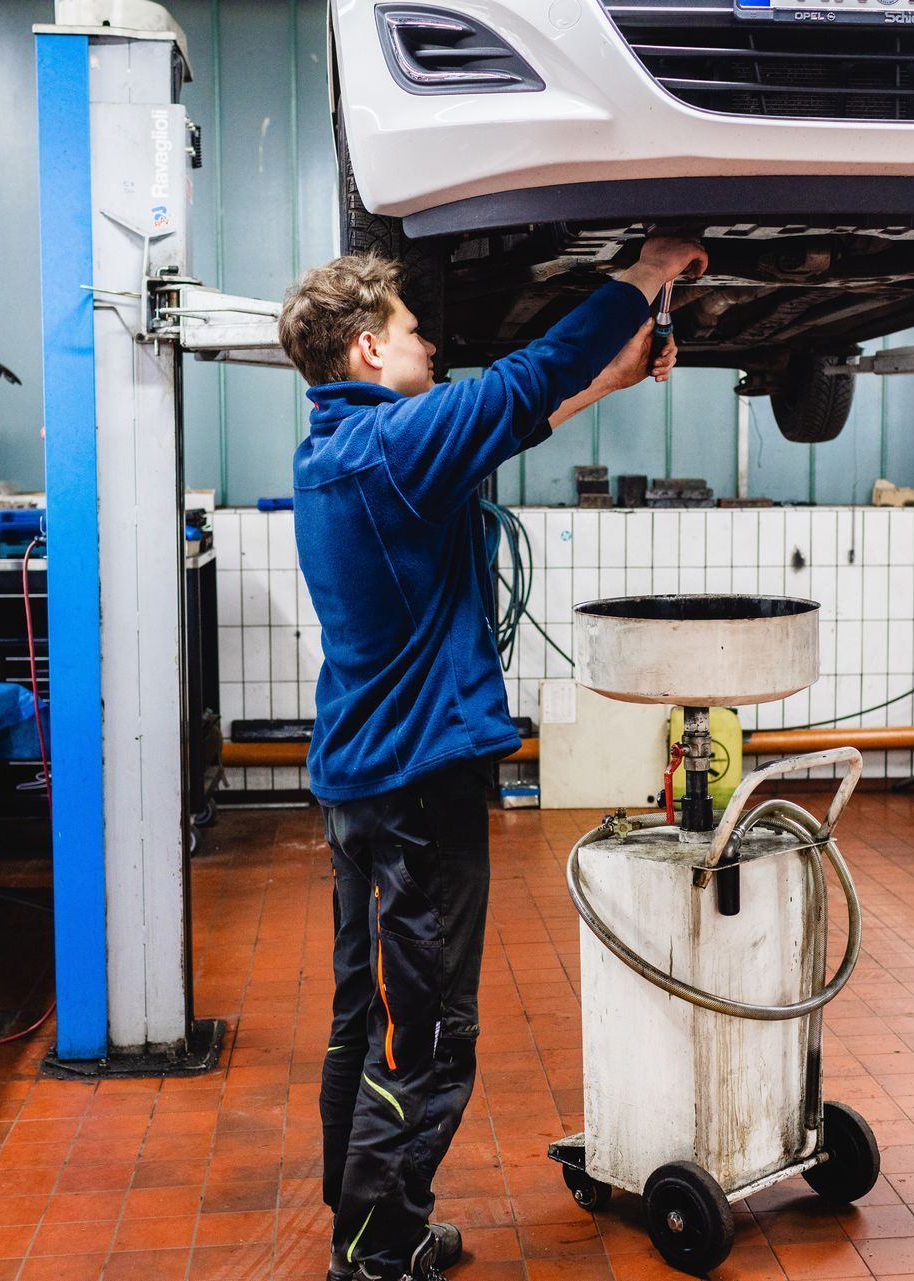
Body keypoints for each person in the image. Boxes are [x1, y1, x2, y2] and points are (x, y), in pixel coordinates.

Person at [277, 236, 707, 1281]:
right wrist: (645, 273)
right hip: (417, 788)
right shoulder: (395, 447)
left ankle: (363, 1218)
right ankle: (380, 1252)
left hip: (366, 780)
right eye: (418, 334)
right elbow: (522, 381)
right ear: (372, 349)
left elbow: (524, 411)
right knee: (424, 1036)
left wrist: (613, 374)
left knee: (365, 1021)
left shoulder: (344, 449)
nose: (435, 347)